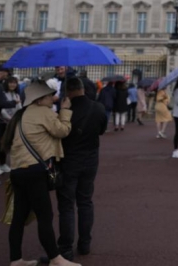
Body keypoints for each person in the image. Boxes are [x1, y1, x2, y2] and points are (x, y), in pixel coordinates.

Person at [4, 81, 78, 266]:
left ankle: (16, 259)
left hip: (18, 170)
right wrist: (66, 111)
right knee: (45, 217)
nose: (52, 98)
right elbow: (62, 131)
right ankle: (55, 258)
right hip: (35, 171)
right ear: (38, 100)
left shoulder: (22, 115)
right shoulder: (42, 112)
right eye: (48, 96)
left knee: (19, 218)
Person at [57, 77, 108, 261]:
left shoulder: (65, 110)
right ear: (82, 89)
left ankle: (65, 248)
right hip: (90, 159)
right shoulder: (98, 107)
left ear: (68, 92)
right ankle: (85, 243)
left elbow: (59, 133)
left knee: (67, 206)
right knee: (85, 202)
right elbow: (101, 130)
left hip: (69, 159)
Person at [0, 77, 22, 176]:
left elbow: (19, 107)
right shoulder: (3, 94)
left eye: (14, 83)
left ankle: (3, 163)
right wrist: (10, 119)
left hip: (11, 122)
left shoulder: (16, 94)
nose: (13, 85)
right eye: (11, 83)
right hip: (2, 122)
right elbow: (3, 109)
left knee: (6, 143)